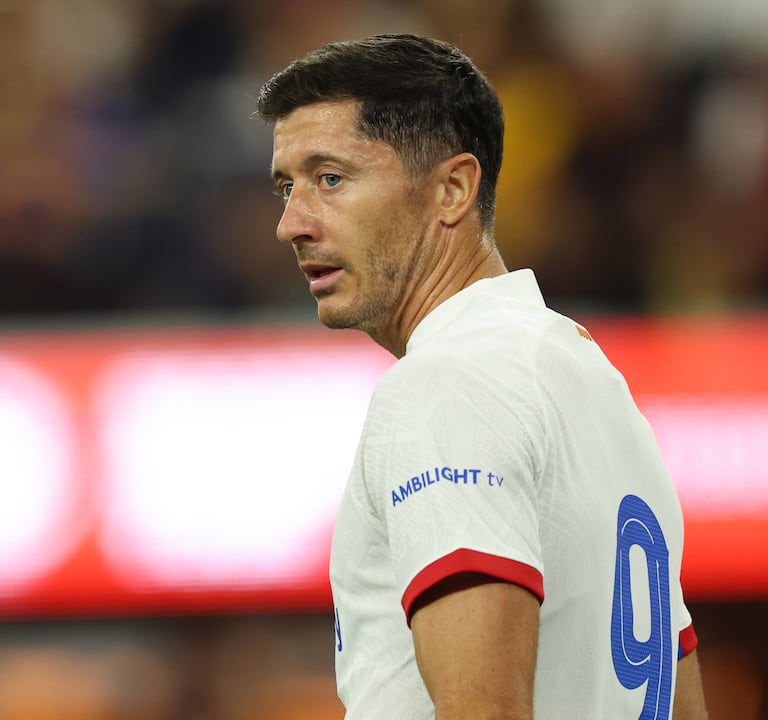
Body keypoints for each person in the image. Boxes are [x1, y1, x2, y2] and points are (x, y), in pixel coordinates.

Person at [256, 34, 708, 718]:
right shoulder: (594, 383)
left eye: (330, 178)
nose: (292, 223)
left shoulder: (447, 383)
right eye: (287, 186)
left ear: (453, 189)